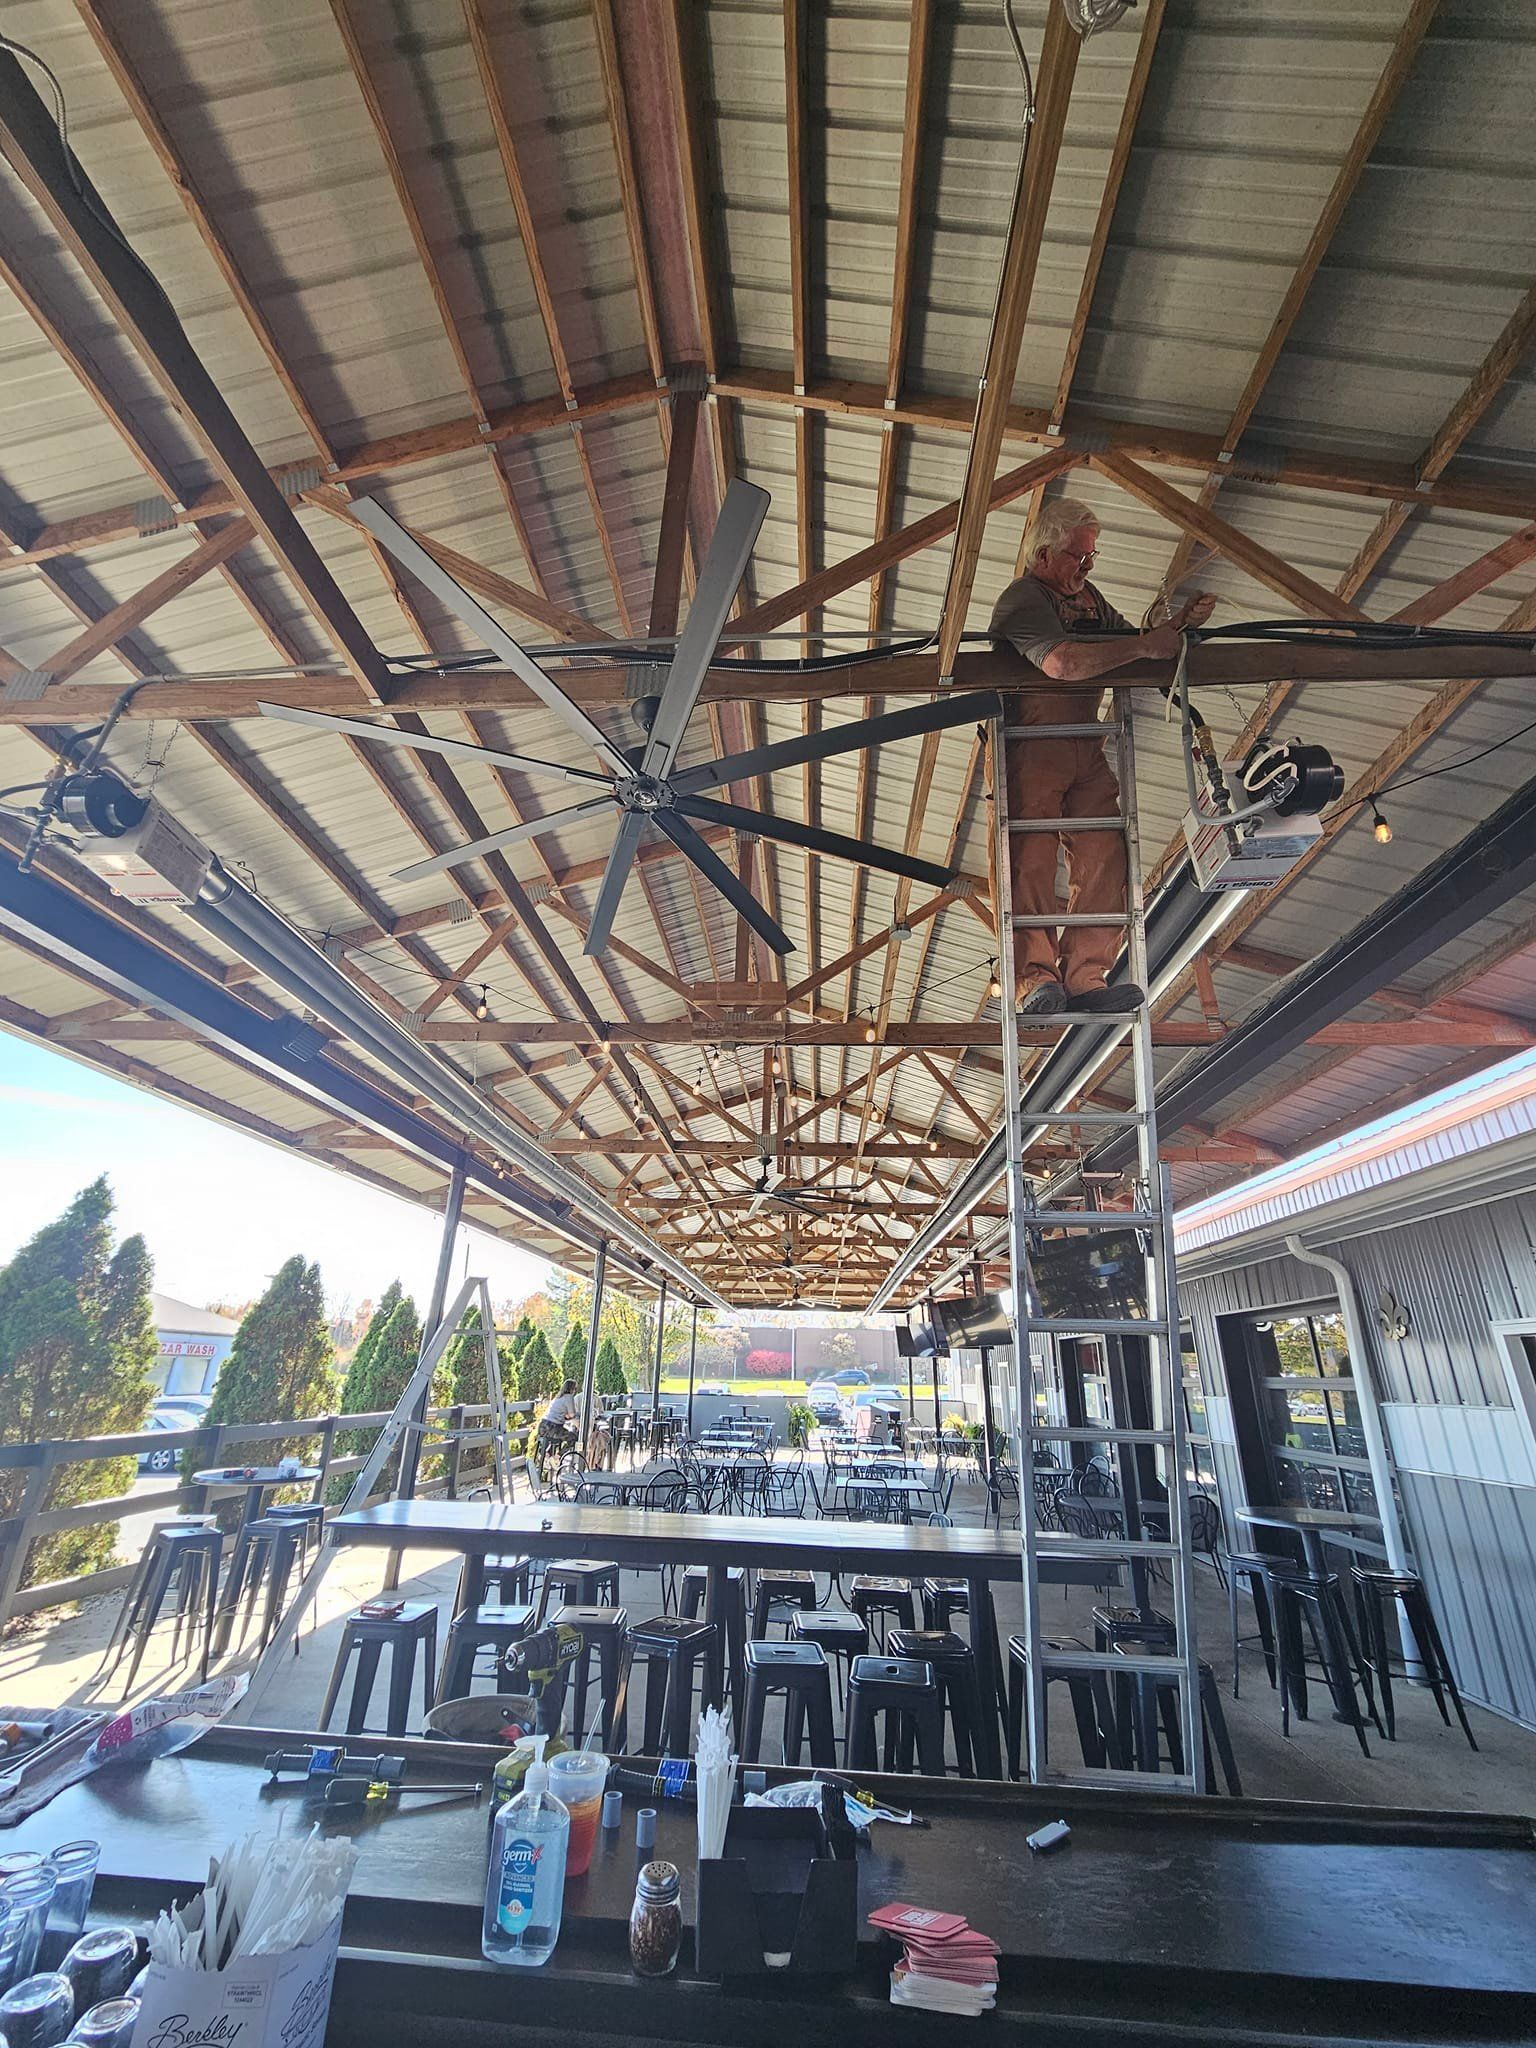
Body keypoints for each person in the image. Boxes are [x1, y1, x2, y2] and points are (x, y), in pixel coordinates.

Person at [989, 496, 1214, 1014]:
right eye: (1077, 556)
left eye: (1091, 557)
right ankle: (1034, 978)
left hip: (1084, 743)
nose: (1086, 567)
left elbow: (1135, 643)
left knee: (1107, 855)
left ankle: (1087, 976)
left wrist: (1175, 625)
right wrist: (1144, 647)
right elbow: (1062, 663)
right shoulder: (1024, 599)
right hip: (1030, 745)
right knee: (1031, 860)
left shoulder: (1089, 600)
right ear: (1043, 554)